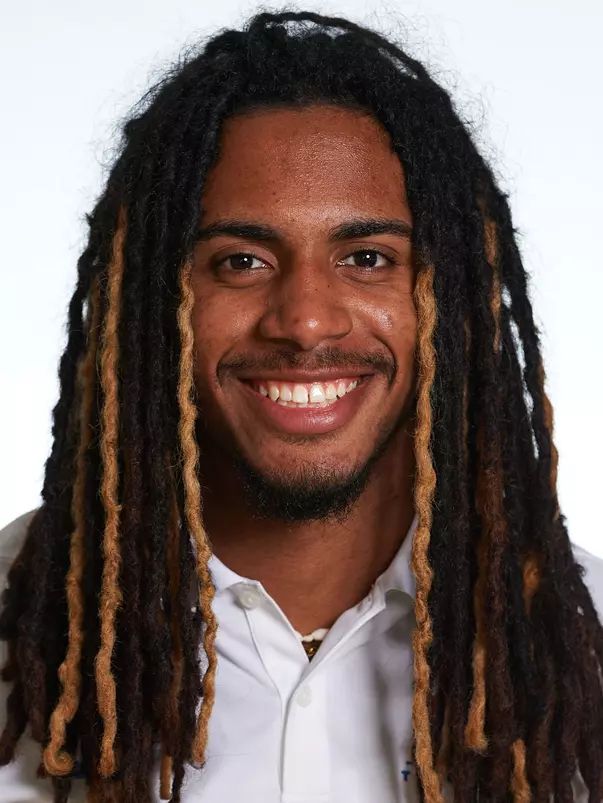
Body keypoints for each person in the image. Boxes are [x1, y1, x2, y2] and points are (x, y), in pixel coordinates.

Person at [1, 9, 602, 803]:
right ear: (152, 297)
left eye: (366, 257)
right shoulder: (21, 629)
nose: (306, 321)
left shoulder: (578, 653)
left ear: (450, 302)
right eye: (240, 260)